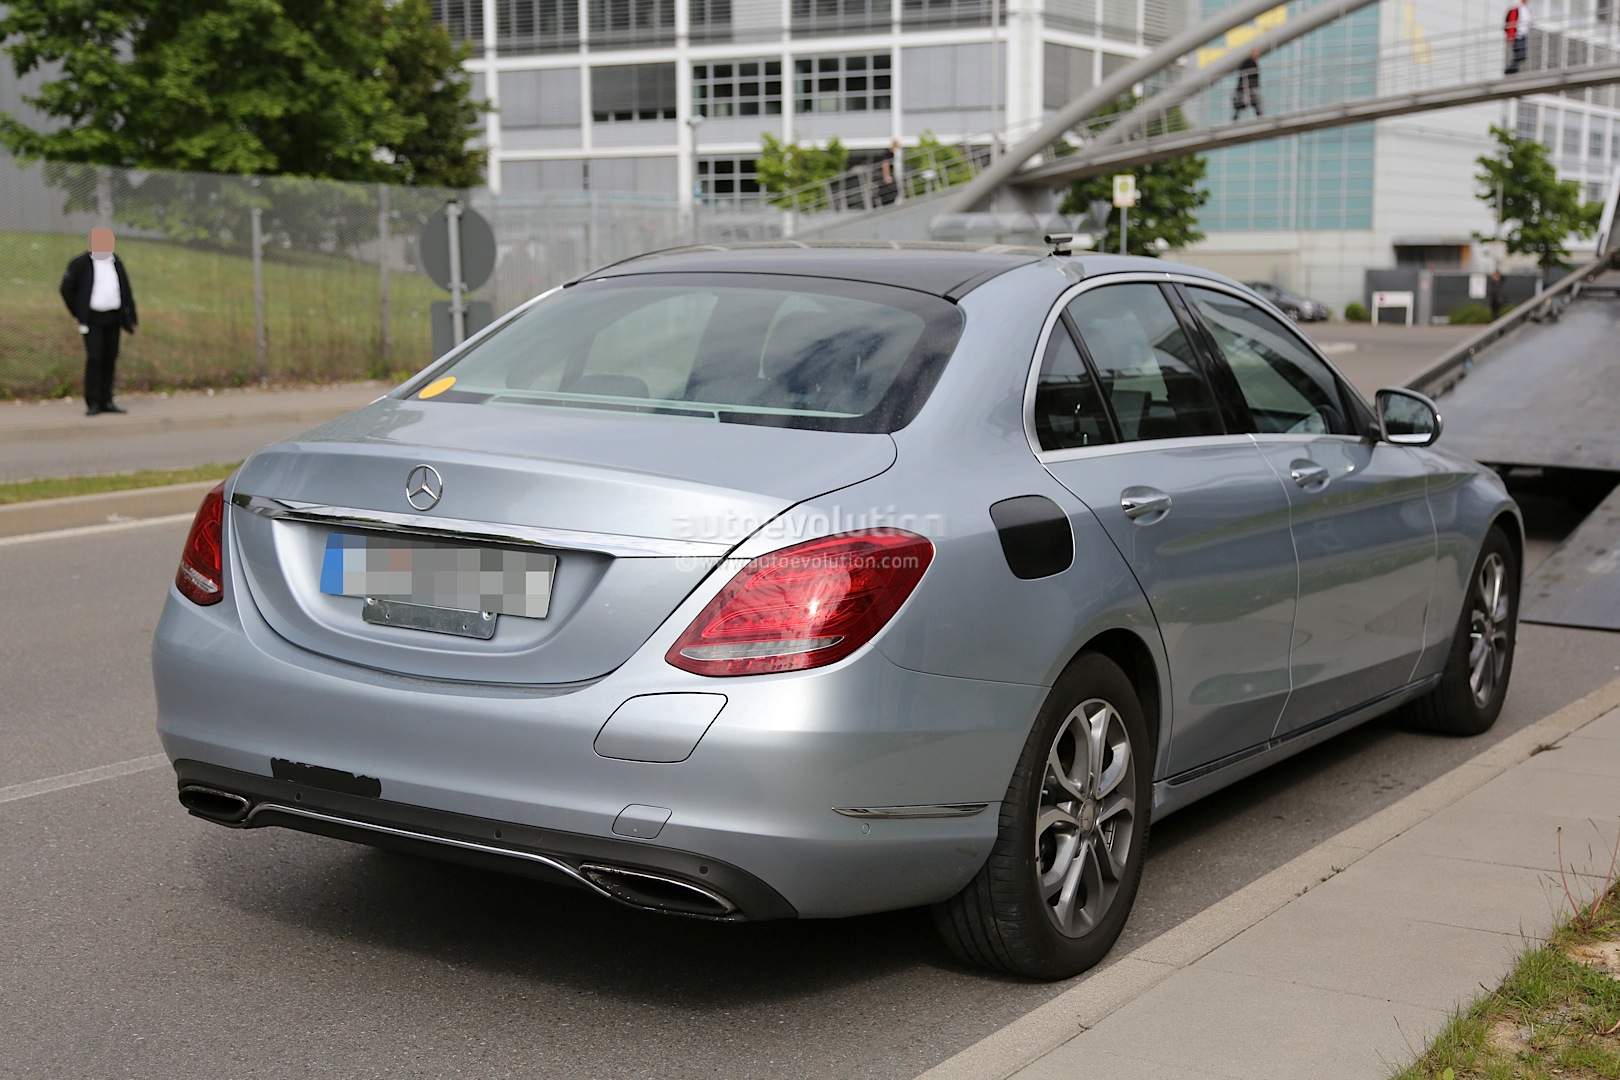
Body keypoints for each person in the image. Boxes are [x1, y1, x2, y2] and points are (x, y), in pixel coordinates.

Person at [59, 226, 138, 416]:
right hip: (93, 319)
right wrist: (79, 312)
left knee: (110, 358)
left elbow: (126, 291)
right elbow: (66, 289)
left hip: (114, 317)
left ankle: (106, 400)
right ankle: (93, 401)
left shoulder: (116, 262)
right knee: (95, 358)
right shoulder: (80, 264)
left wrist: (132, 318)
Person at [1233, 48, 1264, 121]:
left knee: (1254, 100)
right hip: (1245, 86)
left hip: (1250, 86)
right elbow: (1243, 73)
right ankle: (1236, 116)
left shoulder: (1254, 63)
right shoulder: (1247, 63)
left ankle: (1259, 114)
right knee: (1243, 101)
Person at [1505, 0, 1531, 75]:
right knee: (1520, 53)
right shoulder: (1516, 9)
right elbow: (1511, 22)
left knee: (1522, 55)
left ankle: (1514, 69)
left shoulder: (1525, 9)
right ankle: (1511, 69)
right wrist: (1510, 35)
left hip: (1523, 35)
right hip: (1517, 35)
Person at [879, 138, 902, 205]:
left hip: (890, 174)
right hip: (888, 175)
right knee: (891, 191)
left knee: (895, 190)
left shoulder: (891, 153)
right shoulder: (888, 153)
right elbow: (885, 164)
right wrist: (887, 176)